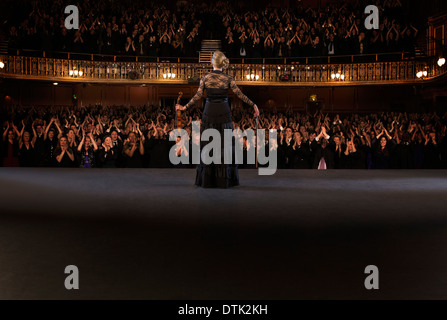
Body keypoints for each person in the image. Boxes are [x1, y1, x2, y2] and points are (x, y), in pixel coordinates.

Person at [176, 50, 259, 188]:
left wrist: (184, 107)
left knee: (208, 146)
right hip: (223, 112)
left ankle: (208, 181)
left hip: (209, 112)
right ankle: (224, 180)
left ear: (212, 62)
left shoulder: (205, 78)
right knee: (224, 146)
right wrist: (254, 105)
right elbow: (240, 95)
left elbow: (197, 96)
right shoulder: (228, 78)